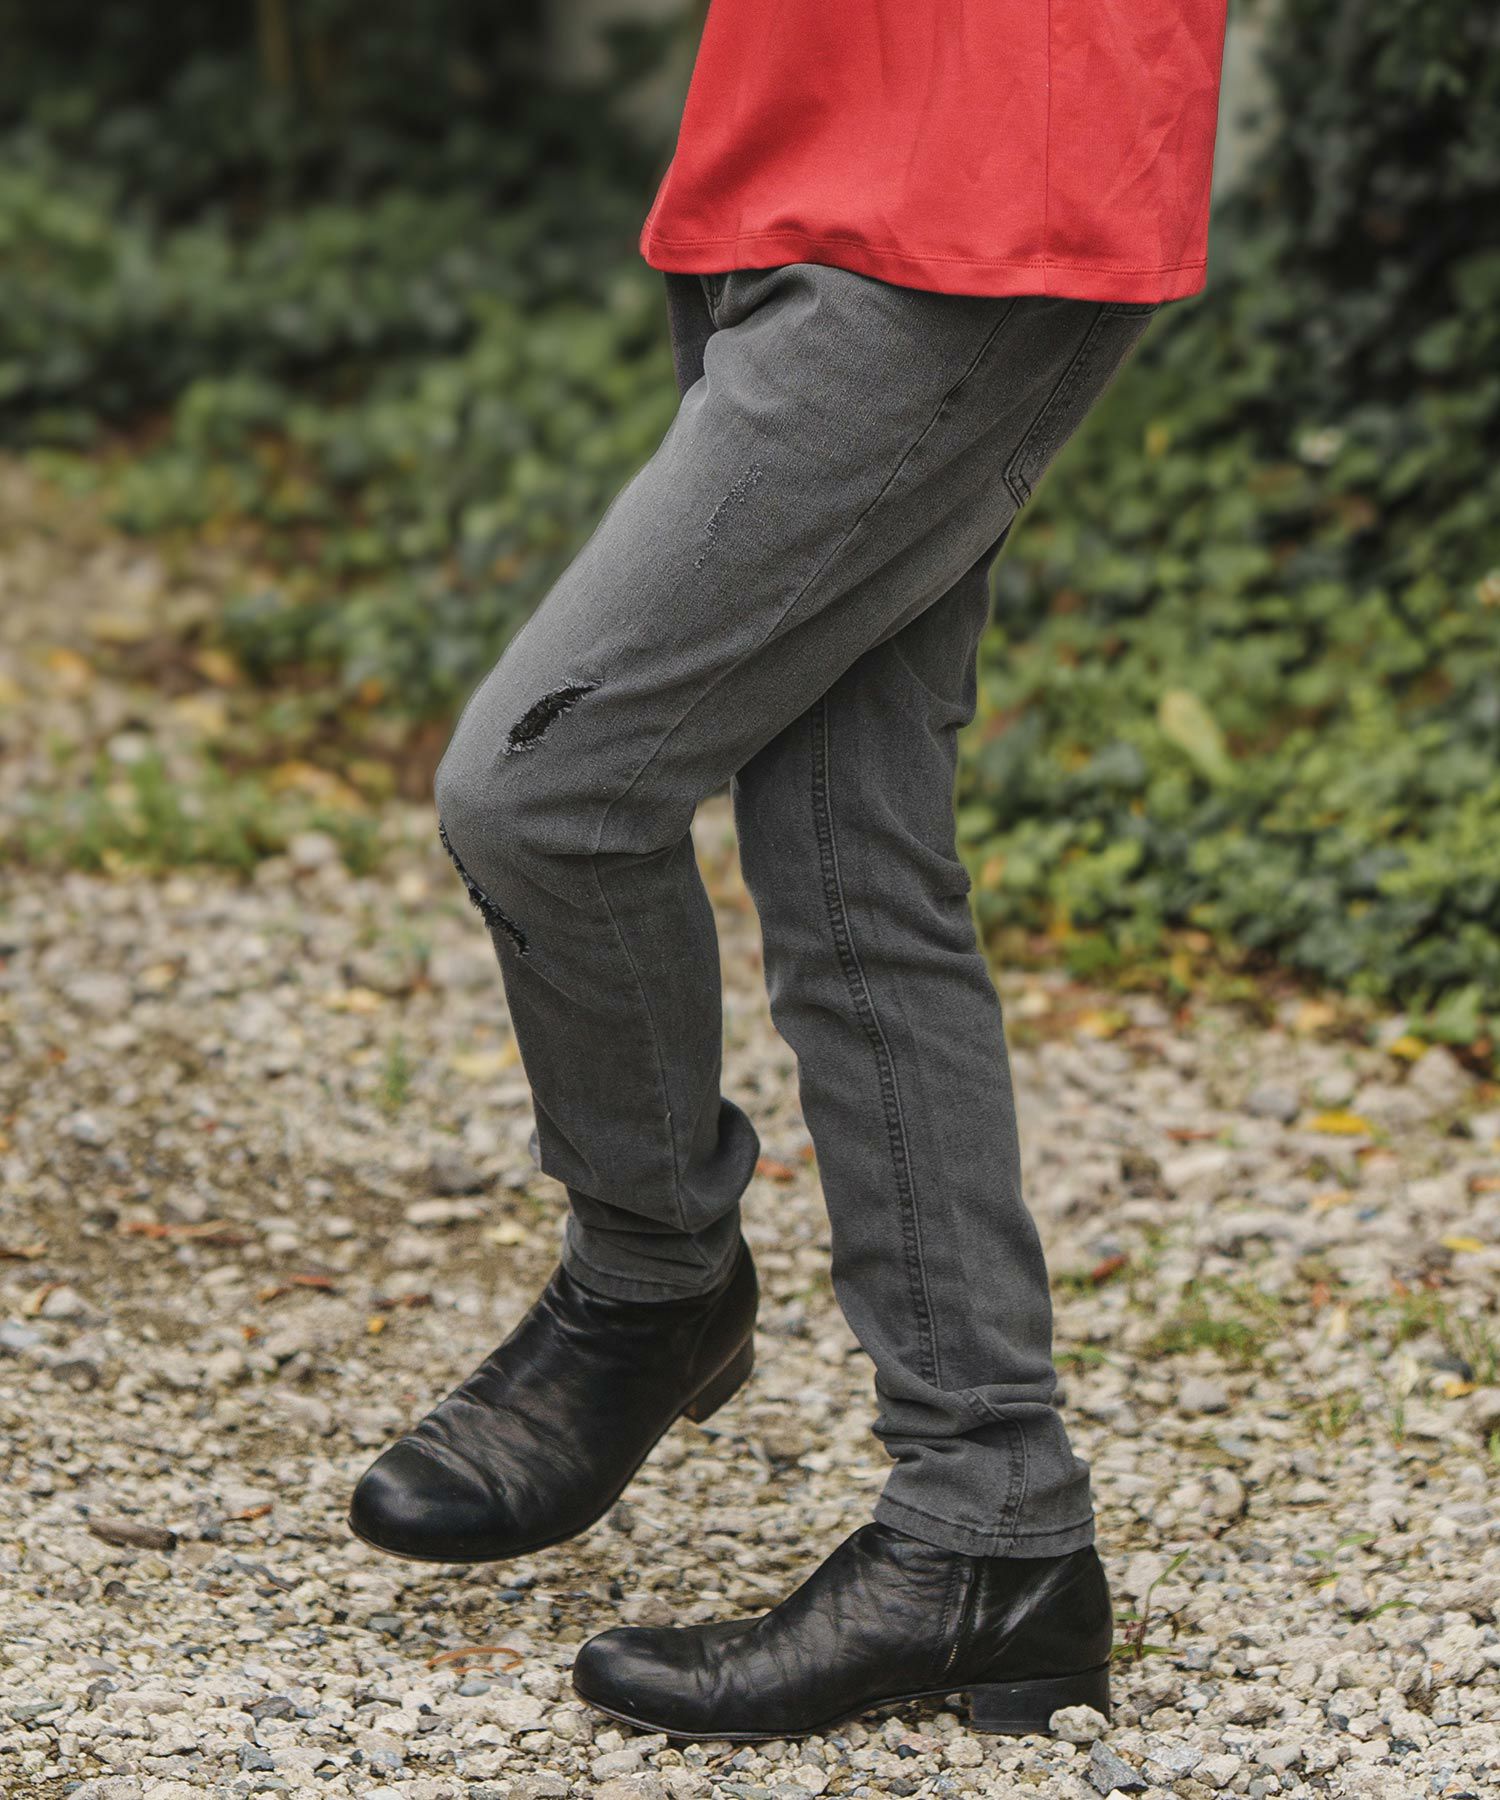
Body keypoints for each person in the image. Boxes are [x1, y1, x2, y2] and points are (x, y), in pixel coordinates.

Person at [349, 0, 1231, 1742]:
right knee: (855, 872)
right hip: (800, 150)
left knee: (544, 789)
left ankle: (650, 1278)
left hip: (982, 175)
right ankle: (993, 1529)